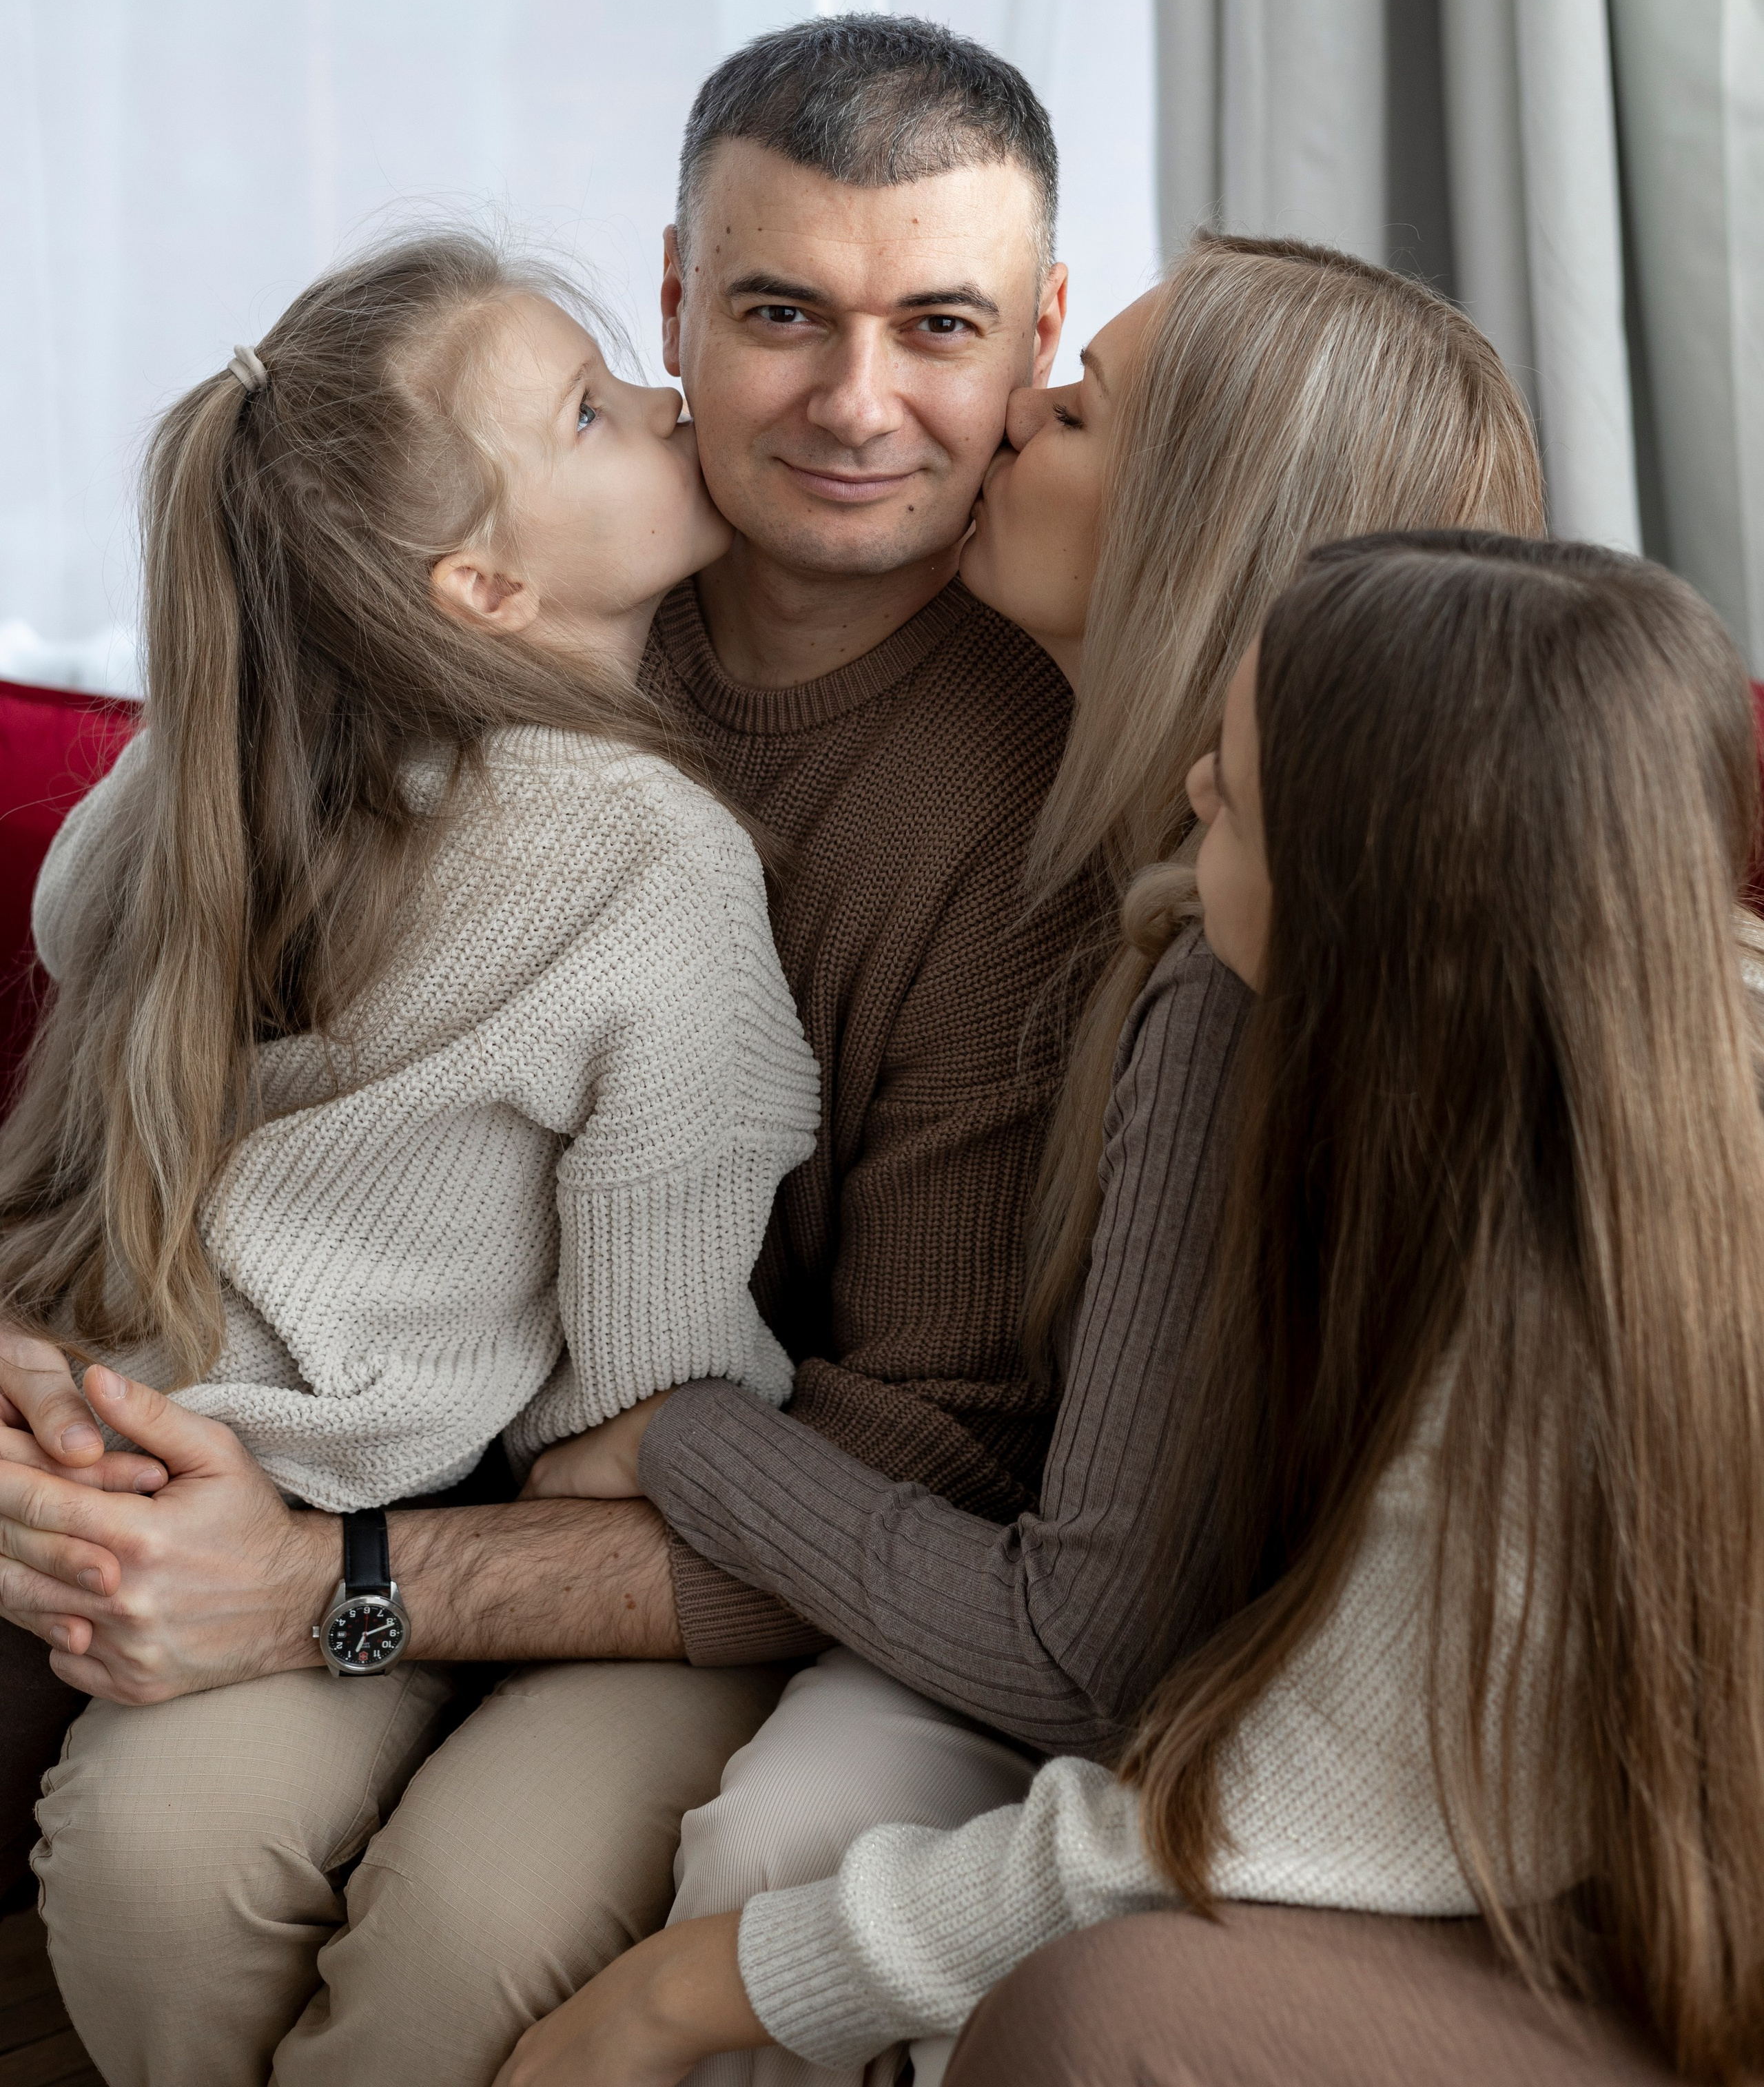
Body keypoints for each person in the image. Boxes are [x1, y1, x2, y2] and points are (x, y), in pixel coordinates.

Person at [0, 17, 1095, 2087]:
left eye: (940, 325)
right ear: (677, 305)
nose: (858, 404)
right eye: (779, 315)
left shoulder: (1046, 780)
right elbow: (155, 990)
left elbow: (930, 1463)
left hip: (719, 1549)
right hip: (336, 1443)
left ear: (1040, 335)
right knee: (156, 1860)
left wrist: (343, 1589)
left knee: (470, 1932)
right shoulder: (456, 596)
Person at [501, 531, 1764, 2087]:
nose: (1189, 789)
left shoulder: (1555, 1308)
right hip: (1579, 1864)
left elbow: (1256, 1793)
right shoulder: (1595, 1046)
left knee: (1092, 2018)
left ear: (1370, 888)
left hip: (1629, 1918)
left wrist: (695, 1988)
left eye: (1232, 779)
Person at [0, 229, 821, 1887]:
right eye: (593, 412)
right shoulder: (656, 866)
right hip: (304, 1504)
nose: (668, 402)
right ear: (487, 592)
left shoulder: (200, 779)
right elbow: (645, 1394)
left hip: (91, 1437)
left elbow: (69, 914)